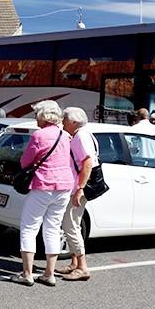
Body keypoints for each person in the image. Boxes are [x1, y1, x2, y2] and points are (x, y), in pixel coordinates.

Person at [11, 100, 74, 287]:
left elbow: (25, 161)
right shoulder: (65, 135)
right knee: (53, 229)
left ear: (43, 116)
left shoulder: (39, 135)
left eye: (36, 115)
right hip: (64, 186)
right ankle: (49, 273)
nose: (34, 118)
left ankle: (27, 273)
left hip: (43, 185)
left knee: (29, 228)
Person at [58, 107, 93, 282]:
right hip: (78, 187)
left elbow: (87, 162)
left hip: (77, 188)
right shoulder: (84, 134)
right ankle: (74, 262)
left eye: (64, 119)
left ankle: (82, 267)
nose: (62, 122)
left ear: (72, 122)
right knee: (74, 224)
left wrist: (80, 188)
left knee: (70, 225)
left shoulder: (80, 136)